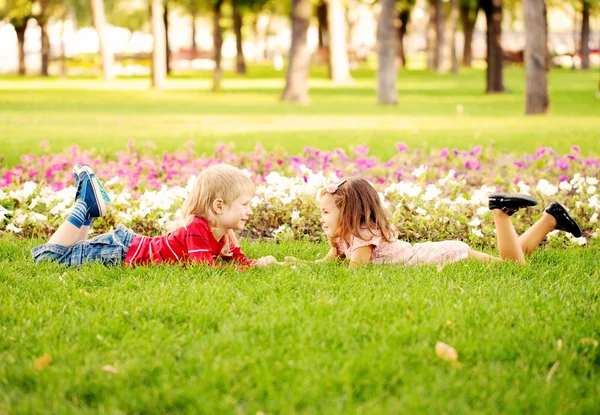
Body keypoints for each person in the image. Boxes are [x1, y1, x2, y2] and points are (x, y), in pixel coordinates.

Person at [287, 177, 582, 268]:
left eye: (326, 213)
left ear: (349, 213)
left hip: (444, 256)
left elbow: (355, 273)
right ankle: (551, 218)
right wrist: (291, 263)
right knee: (512, 257)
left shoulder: (362, 234)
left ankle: (500, 213)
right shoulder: (345, 237)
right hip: (434, 252)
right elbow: (326, 265)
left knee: (512, 267)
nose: (322, 218)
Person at [31, 164, 281, 268]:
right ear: (219, 206)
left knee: (70, 250)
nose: (249, 211)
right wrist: (243, 271)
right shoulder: (197, 227)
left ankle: (87, 213)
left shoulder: (225, 233)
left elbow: (237, 260)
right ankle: (84, 206)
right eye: (245, 204)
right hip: (120, 251)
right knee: (48, 259)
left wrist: (258, 264)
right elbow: (204, 268)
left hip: (123, 246)